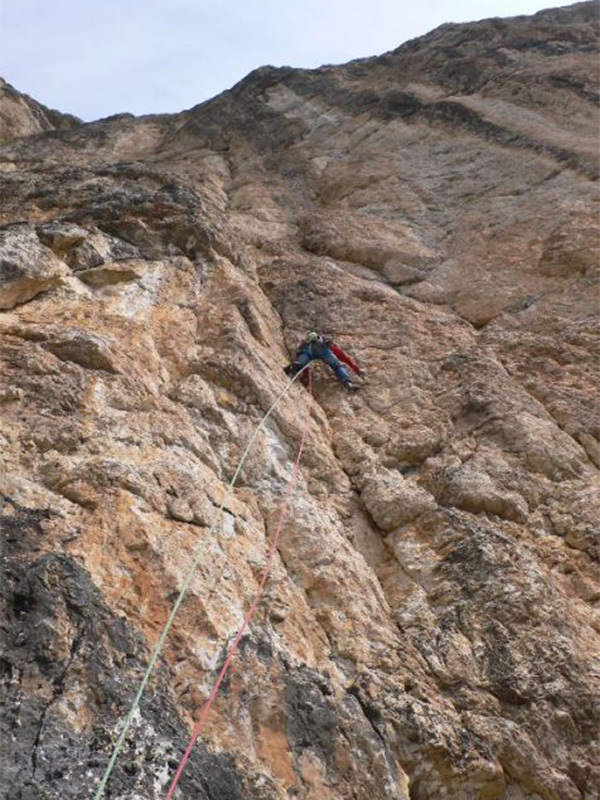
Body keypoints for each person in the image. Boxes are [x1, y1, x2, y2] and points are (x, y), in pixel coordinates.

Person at [284, 331, 364, 390]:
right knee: (337, 366)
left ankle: (296, 365)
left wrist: (307, 380)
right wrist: (356, 369)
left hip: (308, 349)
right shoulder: (328, 345)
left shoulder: (306, 344)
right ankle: (348, 383)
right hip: (323, 348)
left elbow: (306, 367)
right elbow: (344, 357)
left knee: (304, 358)